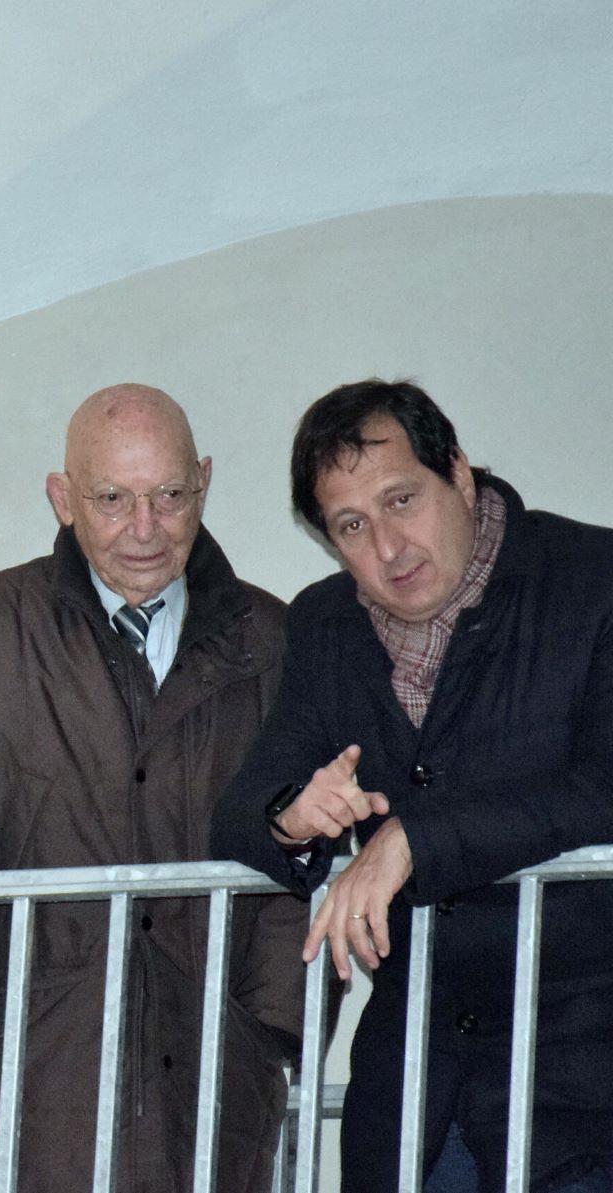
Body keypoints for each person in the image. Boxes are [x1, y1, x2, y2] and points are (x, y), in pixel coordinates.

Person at [0, 385, 306, 1192]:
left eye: (169, 495)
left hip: (207, 1086)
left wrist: (265, 1027)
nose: (145, 527)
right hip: (18, 1078)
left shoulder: (273, 639)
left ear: (205, 482)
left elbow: (309, 843)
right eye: (113, 499)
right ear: (62, 498)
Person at [213, 379, 613, 1192]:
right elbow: (241, 809)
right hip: (416, 1094)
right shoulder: (326, 622)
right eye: (351, 525)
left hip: (582, 1080)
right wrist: (293, 814)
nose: (389, 547)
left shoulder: (592, 577)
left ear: (458, 473)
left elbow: (604, 785)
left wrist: (414, 840)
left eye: (402, 500)